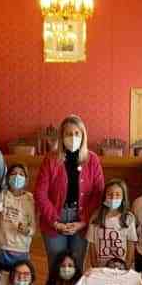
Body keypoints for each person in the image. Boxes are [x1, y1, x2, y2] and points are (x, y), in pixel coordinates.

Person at [34, 115, 104, 270]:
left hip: (81, 219)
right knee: (56, 265)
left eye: (77, 133)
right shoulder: (51, 159)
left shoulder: (92, 160)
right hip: (54, 219)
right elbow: (40, 193)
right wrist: (55, 221)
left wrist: (83, 222)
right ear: (61, 136)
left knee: (77, 265)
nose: (73, 137)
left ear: (83, 135)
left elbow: (98, 194)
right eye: (68, 134)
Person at [85, 178, 137, 269]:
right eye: (110, 194)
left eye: (118, 195)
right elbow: (91, 244)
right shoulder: (96, 217)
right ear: (104, 196)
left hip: (121, 267)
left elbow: (131, 244)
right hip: (101, 267)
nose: (113, 198)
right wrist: (95, 266)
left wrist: (127, 266)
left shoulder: (129, 218)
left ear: (123, 197)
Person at [0, 163, 36, 269]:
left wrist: (27, 231)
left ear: (26, 179)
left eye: (21, 174)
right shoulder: (2, 195)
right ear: (8, 177)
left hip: (22, 249)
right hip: (3, 248)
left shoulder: (30, 199)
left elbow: (33, 227)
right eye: (13, 173)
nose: (17, 177)